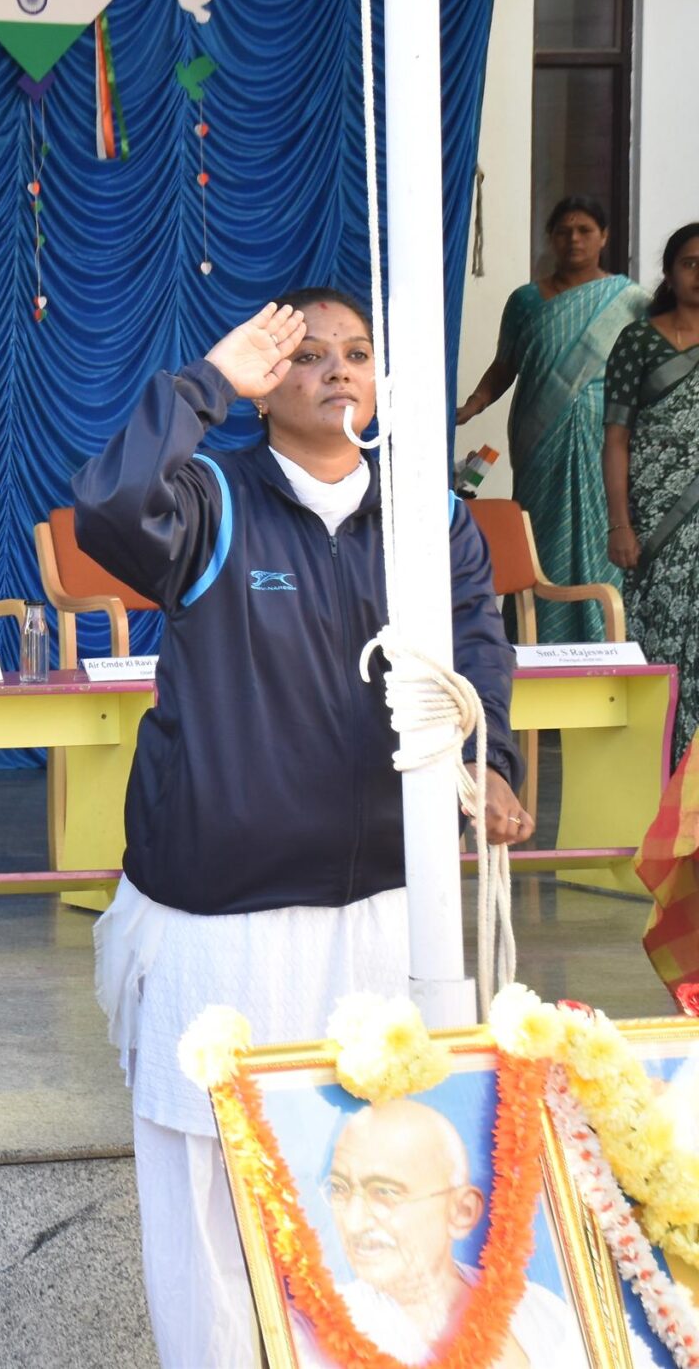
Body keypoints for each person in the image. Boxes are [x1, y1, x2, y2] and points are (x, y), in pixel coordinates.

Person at [73, 291, 527, 1367]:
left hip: (383, 910)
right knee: (211, 1198)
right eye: (307, 355)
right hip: (221, 919)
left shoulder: (426, 514)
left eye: (355, 353)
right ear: (265, 384)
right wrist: (204, 385)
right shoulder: (210, 497)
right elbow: (106, 507)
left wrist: (490, 764)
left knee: (365, 1180)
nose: (335, 371)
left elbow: (475, 646)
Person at [457, 197, 642, 642]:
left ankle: (605, 641)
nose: (574, 239)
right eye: (563, 231)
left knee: (602, 530)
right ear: (550, 239)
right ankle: (535, 641)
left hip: (604, 440)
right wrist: (473, 405)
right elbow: (505, 365)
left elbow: (647, 370)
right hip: (540, 438)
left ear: (604, 237)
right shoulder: (525, 301)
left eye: (585, 230)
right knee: (540, 534)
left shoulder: (630, 300)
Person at [297, 1099, 591, 1369]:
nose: (353, 1222)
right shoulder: (304, 1334)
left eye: (384, 1192)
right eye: (339, 1189)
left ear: (462, 1212)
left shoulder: (543, 1312)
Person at [605, 222, 699, 763]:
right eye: (690, 263)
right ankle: (658, 776)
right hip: (655, 520)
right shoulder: (638, 341)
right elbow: (616, 438)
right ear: (669, 272)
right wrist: (620, 523)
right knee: (658, 644)